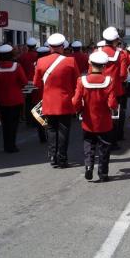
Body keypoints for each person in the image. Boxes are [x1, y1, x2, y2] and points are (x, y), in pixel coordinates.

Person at [33, 33, 80, 167]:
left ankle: (53, 156)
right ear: (62, 46)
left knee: (51, 130)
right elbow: (77, 81)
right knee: (64, 131)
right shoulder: (70, 61)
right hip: (65, 101)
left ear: (49, 47)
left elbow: (36, 84)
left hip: (48, 101)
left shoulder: (41, 61)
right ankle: (63, 158)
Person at [72, 51, 118, 182]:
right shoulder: (109, 81)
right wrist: (113, 109)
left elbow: (75, 101)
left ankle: (88, 167)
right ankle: (103, 174)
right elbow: (112, 103)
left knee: (89, 145)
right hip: (104, 121)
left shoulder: (82, 80)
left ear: (90, 64)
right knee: (104, 148)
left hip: (88, 120)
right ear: (104, 66)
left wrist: (79, 110)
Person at [0, 44, 28, 153]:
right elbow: (24, 82)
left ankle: (6, 145)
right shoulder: (17, 66)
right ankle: (12, 145)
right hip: (16, 99)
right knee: (14, 123)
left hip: (2, 99)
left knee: (5, 123)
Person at [101, 27, 128, 143]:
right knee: (116, 115)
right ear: (115, 40)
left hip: (100, 88)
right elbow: (123, 75)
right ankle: (116, 137)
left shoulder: (97, 53)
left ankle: (103, 137)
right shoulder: (121, 54)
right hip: (116, 89)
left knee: (102, 113)